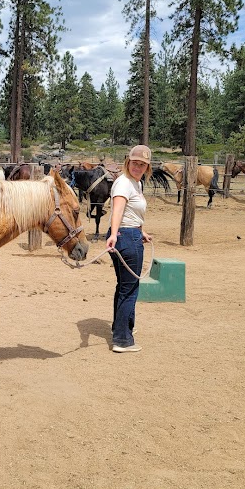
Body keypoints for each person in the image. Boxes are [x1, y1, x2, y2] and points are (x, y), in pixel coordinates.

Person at [105, 144, 153, 353]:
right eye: (135, 163)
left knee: (123, 285)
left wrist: (140, 231)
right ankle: (123, 339)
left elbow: (131, 213)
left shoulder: (136, 184)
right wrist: (115, 234)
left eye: (142, 164)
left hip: (131, 234)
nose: (138, 167)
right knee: (130, 288)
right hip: (125, 237)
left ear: (147, 168)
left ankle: (120, 328)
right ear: (128, 162)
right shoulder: (124, 183)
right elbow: (117, 210)